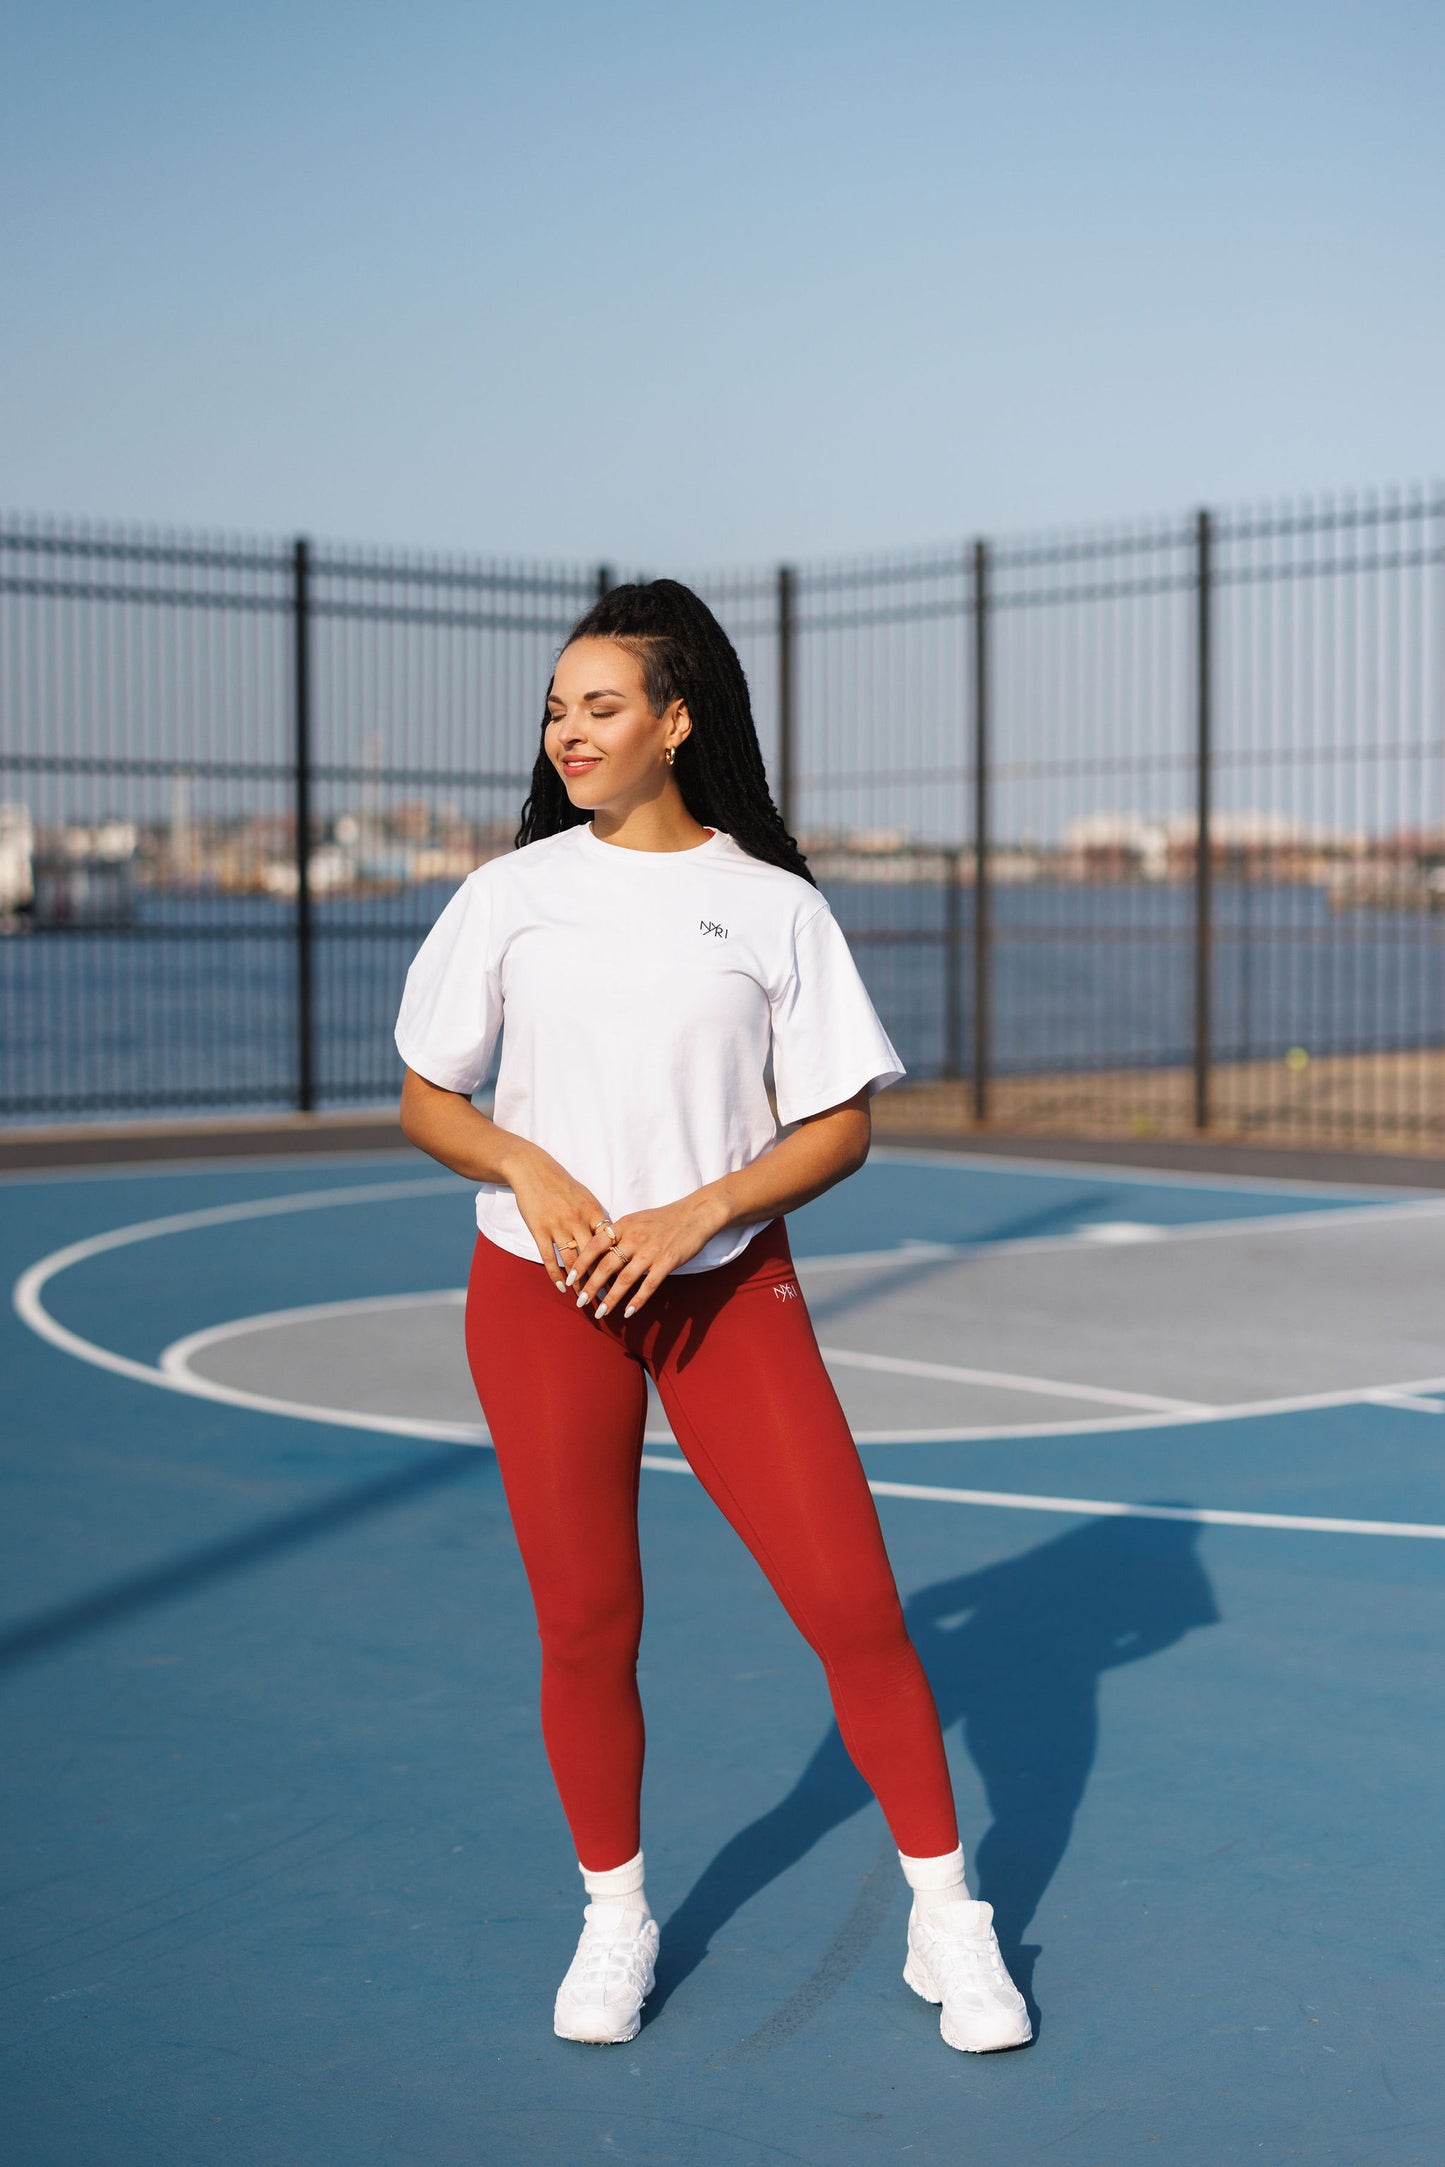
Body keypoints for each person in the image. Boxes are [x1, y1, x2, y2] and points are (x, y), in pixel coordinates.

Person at [393, 579, 1030, 2054]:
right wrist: (526, 1162)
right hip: (540, 1298)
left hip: (727, 1291)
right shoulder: (508, 895)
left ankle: (949, 1922)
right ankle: (614, 1920)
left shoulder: (769, 907)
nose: (569, 730)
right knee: (587, 1622)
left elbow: (836, 1128)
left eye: (601, 705)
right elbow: (432, 1099)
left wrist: (698, 1211)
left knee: (854, 1605)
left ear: (675, 724)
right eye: (556, 708)